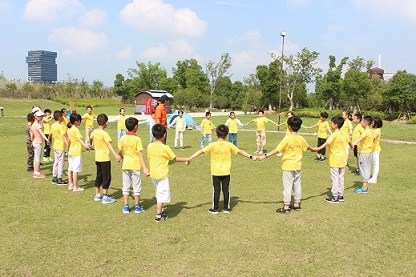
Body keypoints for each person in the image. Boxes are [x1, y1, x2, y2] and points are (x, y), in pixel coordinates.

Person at [187, 124, 256, 214]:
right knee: (226, 189)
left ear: (216, 134)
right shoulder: (229, 145)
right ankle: (226, 208)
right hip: (226, 171)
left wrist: (190, 158)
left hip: (216, 172)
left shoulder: (212, 145)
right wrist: (251, 156)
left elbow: (201, 151)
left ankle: (215, 208)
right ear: (227, 135)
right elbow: (240, 151)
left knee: (216, 190)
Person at [258, 116, 314, 213]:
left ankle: (286, 206)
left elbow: (277, 150)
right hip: (297, 165)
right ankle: (296, 204)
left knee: (287, 186)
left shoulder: (287, 139)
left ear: (289, 127)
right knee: (297, 185)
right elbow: (308, 147)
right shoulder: (301, 138)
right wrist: (315, 149)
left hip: (288, 166)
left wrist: (264, 156)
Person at [147, 124, 188, 222]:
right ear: (164, 135)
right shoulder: (165, 148)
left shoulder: (150, 146)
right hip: (162, 175)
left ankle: (160, 210)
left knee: (158, 192)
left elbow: (149, 158)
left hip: (153, 174)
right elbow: (175, 159)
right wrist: (186, 159)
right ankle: (158, 215)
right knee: (161, 194)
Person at [118, 117, 150, 214]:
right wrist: (144, 167)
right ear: (136, 127)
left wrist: (122, 157)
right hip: (135, 165)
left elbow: (119, 151)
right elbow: (140, 153)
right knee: (136, 186)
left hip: (126, 164)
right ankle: (137, 206)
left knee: (126, 186)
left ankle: (126, 206)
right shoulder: (137, 139)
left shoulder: (122, 138)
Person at [313, 115, 347, 203]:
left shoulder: (334, 134)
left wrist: (318, 148)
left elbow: (327, 143)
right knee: (341, 177)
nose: (331, 125)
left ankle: (335, 196)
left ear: (335, 125)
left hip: (335, 159)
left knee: (335, 177)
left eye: (332, 123)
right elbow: (349, 141)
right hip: (342, 159)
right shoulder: (343, 133)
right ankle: (340, 195)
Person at [90, 114, 122, 203]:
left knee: (99, 175)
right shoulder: (104, 134)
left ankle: (97, 194)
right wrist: (116, 155)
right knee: (106, 177)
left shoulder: (94, 132)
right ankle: (105, 196)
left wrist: (91, 144)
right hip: (104, 158)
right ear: (106, 123)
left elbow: (91, 139)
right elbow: (109, 145)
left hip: (97, 157)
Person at [67, 113, 91, 191]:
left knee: (70, 168)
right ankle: (75, 186)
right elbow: (79, 139)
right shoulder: (76, 129)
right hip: (76, 151)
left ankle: (70, 184)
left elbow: (68, 141)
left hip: (71, 150)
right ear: (76, 121)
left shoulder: (69, 129)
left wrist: (67, 149)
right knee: (75, 170)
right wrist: (86, 146)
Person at [351, 115, 373, 194]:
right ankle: (364, 186)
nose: (361, 123)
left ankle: (364, 188)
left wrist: (353, 144)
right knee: (366, 168)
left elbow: (360, 138)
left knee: (363, 169)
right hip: (368, 152)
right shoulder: (370, 131)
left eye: (362, 121)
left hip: (364, 153)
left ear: (366, 123)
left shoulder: (366, 131)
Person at [51, 110, 69, 185]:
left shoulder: (52, 125)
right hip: (60, 146)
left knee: (56, 162)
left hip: (55, 145)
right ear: (59, 117)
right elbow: (63, 137)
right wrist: (68, 144)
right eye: (61, 117)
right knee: (61, 162)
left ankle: (54, 177)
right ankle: (59, 178)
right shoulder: (60, 126)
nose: (62, 118)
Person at [31, 106, 49, 178]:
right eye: (40, 116)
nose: (41, 117)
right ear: (36, 117)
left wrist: (32, 141)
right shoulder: (37, 125)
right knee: (38, 158)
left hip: (35, 142)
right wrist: (47, 140)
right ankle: (37, 172)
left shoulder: (33, 125)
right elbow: (41, 133)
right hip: (38, 142)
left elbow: (31, 134)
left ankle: (35, 171)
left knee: (36, 157)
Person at [368, 117, 383, 184]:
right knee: (373, 163)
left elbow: (373, 138)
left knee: (375, 164)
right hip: (373, 149)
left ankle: (374, 178)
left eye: (373, 122)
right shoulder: (374, 130)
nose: (372, 123)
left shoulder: (377, 130)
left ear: (376, 124)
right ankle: (373, 177)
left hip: (376, 149)